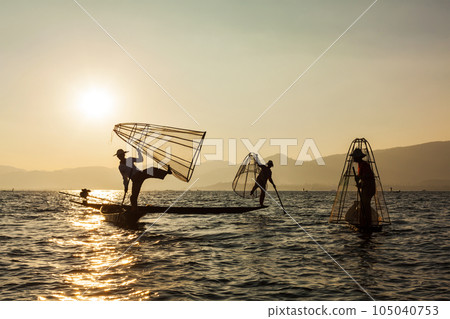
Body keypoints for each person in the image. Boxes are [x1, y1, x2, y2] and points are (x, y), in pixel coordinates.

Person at [351, 148, 376, 229]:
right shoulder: (360, 165)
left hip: (369, 188)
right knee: (364, 205)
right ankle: (365, 222)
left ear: (358, 157)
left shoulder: (364, 165)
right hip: (366, 187)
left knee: (365, 205)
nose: (353, 158)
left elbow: (368, 176)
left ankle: (367, 223)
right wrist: (360, 184)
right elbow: (364, 178)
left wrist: (359, 178)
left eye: (354, 157)